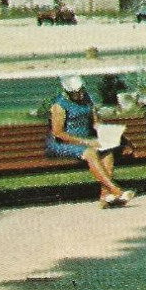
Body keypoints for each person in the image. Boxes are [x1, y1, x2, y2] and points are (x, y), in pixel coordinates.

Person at [47, 75, 134, 208]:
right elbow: (58, 133)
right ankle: (116, 190)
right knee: (91, 152)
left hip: (86, 141)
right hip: (63, 144)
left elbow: (95, 123)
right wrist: (87, 142)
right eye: (76, 93)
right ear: (68, 93)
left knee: (107, 152)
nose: (81, 95)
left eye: (82, 91)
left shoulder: (87, 100)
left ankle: (105, 197)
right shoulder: (59, 106)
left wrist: (113, 135)